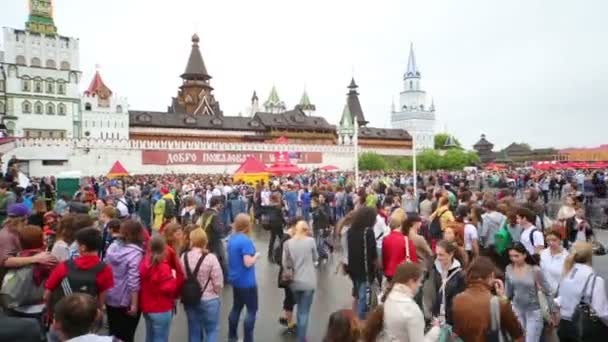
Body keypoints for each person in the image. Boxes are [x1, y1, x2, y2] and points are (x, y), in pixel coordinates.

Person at [452, 257, 524, 342]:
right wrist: (503, 297)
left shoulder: (457, 300)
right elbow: (517, 333)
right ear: (492, 276)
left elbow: (457, 332)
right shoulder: (499, 303)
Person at [363, 262, 440, 342]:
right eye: (419, 282)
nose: (420, 285)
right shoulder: (412, 309)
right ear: (411, 281)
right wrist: (435, 331)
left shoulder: (387, 298)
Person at [555, 241, 608, 341]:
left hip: (564, 327)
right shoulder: (595, 280)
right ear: (590, 256)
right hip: (584, 330)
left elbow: (559, 300)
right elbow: (601, 311)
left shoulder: (566, 274)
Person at [104, 220, 145, 342]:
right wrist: (134, 304)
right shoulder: (135, 254)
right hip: (126, 301)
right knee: (127, 335)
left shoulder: (112, 248)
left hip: (111, 297)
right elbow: (134, 281)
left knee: (113, 333)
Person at [505, 242, 554, 342]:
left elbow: (548, 290)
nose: (513, 259)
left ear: (524, 255)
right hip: (517, 310)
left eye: (516, 256)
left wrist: (553, 311)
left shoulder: (535, 270)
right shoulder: (509, 268)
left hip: (534, 311)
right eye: (511, 256)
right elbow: (508, 291)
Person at [181, 228, 224, 342]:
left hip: (190, 298)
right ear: (205, 241)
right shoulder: (211, 258)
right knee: (212, 330)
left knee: (194, 330)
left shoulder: (184, 257)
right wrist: (216, 291)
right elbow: (218, 282)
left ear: (192, 241)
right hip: (209, 299)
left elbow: (181, 277)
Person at [0, 203, 56, 284]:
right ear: (21, 220)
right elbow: (5, 261)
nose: (27, 222)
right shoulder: (6, 236)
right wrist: (36, 259)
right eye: (26, 219)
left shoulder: (15, 231)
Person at [227, 213, 260, 342]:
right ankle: (248, 339)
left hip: (236, 280)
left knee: (236, 308)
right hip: (248, 281)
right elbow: (248, 262)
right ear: (247, 225)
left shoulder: (232, 238)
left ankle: (232, 336)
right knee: (251, 311)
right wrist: (256, 256)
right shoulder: (246, 241)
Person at [283, 220, 318, 342]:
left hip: (294, 282)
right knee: (304, 312)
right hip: (308, 282)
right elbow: (316, 258)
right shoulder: (311, 241)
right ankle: (301, 339)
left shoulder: (287, 243)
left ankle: (300, 336)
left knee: (299, 310)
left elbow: (285, 263)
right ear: (306, 230)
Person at [139, 235, 179, 342]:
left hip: (147, 307)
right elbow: (169, 288)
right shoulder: (163, 267)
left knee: (150, 336)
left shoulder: (143, 264)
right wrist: (174, 278)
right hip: (161, 307)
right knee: (161, 338)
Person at [347, 207, 379, 320]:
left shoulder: (350, 231)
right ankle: (360, 324)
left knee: (357, 295)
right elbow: (373, 253)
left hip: (353, 269)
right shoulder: (368, 232)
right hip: (365, 270)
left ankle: (353, 320)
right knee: (363, 298)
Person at [430, 240, 466, 326]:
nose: (438, 257)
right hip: (436, 319)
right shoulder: (434, 271)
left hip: (451, 322)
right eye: (437, 254)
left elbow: (458, 301)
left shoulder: (460, 275)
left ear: (451, 254)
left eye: (441, 255)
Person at [382, 215, 418, 283]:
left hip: (389, 273)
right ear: (401, 225)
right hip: (403, 274)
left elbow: (384, 259)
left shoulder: (386, 239)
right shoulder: (406, 240)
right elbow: (413, 259)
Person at [539, 228, 568, 294]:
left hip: (560, 293)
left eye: (554, 240)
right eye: (548, 240)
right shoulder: (542, 253)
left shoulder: (566, 257)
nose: (551, 243)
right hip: (544, 292)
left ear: (560, 240)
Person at [262, 193, 286, 260]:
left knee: (272, 238)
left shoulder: (269, 206)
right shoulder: (278, 206)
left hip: (271, 224)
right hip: (278, 224)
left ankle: (270, 254)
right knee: (282, 238)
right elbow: (281, 216)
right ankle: (281, 252)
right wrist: (285, 223)